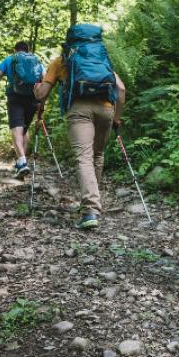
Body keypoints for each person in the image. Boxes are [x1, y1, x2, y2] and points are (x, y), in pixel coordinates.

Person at [34, 24, 126, 231]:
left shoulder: (61, 61)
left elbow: (42, 95)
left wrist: (36, 90)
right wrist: (117, 118)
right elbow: (121, 89)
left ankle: (91, 209)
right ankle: (93, 202)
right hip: (106, 109)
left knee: (83, 157)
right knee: (97, 155)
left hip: (79, 110)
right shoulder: (101, 59)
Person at [0, 41, 43, 178]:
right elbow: (43, 79)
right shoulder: (36, 60)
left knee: (16, 129)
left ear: (15, 50)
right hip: (32, 98)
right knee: (24, 130)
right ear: (28, 49)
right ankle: (21, 164)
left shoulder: (10, 59)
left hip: (15, 98)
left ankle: (22, 162)